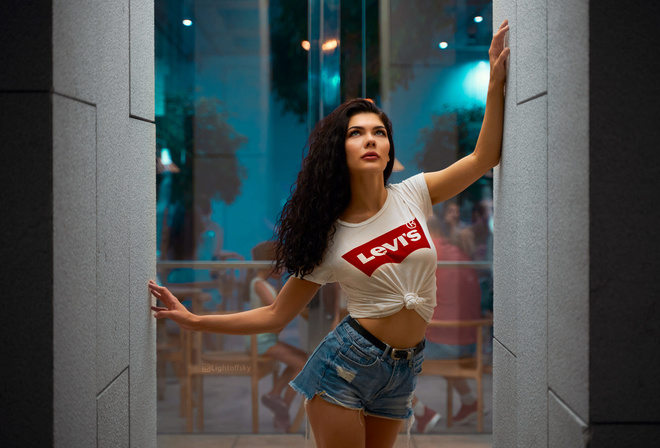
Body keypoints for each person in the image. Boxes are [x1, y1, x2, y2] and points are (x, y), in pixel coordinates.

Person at [149, 20, 509, 448]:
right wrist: (194, 320)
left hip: (405, 367)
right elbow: (275, 315)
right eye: (356, 133)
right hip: (345, 367)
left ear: (391, 149)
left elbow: (485, 156)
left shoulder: (415, 193)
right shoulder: (328, 236)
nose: (370, 139)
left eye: (379, 132)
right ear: (340, 149)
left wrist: (495, 80)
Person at [410, 215, 483, 433]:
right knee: (433, 335)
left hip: (447, 343)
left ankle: (421, 413)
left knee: (385, 357)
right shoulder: (458, 253)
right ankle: (470, 402)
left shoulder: (428, 254)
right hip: (471, 343)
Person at [248, 241, 308, 432]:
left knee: (302, 360)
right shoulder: (259, 284)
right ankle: (282, 408)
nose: (282, 267)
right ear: (268, 262)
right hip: (261, 342)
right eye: (279, 262)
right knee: (302, 364)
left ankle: (275, 395)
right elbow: (278, 310)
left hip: (268, 340)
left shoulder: (264, 284)